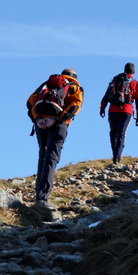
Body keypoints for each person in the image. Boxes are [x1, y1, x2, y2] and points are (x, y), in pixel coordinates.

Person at [26, 68, 84, 209]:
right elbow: (75, 106)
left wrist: (38, 119)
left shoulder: (46, 84)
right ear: (75, 77)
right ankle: (43, 198)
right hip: (58, 125)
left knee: (43, 156)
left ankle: (38, 196)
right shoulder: (75, 87)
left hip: (40, 123)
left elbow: (29, 102)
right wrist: (58, 119)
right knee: (52, 158)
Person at [99, 62, 138, 164]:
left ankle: (115, 154)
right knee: (121, 134)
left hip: (113, 110)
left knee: (113, 133)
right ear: (134, 72)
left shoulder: (115, 80)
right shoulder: (136, 84)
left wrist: (102, 108)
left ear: (124, 70)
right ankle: (117, 157)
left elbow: (106, 95)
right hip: (126, 111)